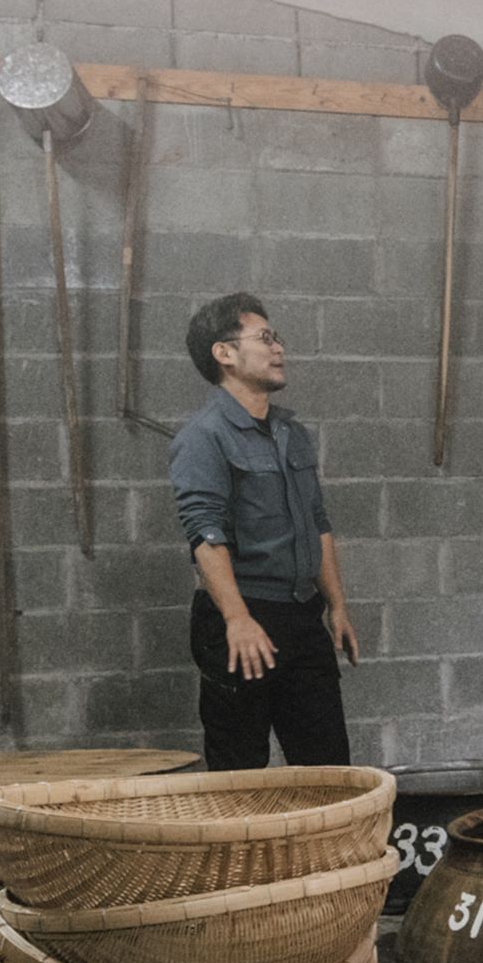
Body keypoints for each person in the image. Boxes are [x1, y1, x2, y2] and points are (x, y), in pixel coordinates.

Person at [168, 292, 361, 770]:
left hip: (300, 617)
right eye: (265, 338)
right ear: (225, 354)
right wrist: (236, 619)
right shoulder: (204, 436)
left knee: (327, 770)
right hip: (240, 618)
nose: (279, 349)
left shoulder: (291, 434)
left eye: (277, 339)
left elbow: (318, 524)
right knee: (241, 775)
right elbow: (204, 534)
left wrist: (336, 606)